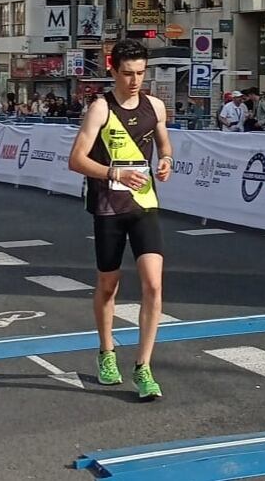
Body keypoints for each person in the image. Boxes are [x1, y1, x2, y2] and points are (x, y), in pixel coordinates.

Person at [67, 39, 173, 400]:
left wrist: (166, 162)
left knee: (154, 285)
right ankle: (106, 352)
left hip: (144, 204)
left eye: (141, 73)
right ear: (113, 71)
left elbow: (164, 143)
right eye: (127, 73)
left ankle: (144, 367)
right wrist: (115, 174)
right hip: (108, 206)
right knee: (109, 286)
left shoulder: (155, 105)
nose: (134, 81)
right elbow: (76, 159)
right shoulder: (100, 108)